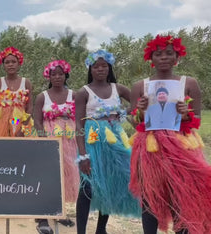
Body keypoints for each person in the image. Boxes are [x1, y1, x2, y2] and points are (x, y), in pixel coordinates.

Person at [129, 34, 211, 234]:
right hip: (150, 146)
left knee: (180, 192)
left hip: (180, 146)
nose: (163, 57)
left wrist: (186, 114)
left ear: (177, 57)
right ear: (151, 58)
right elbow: (133, 121)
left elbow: (197, 118)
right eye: (158, 54)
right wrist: (139, 111)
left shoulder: (189, 83)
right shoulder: (141, 86)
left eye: (169, 53)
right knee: (150, 195)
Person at [74, 50, 140, 234]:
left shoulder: (118, 88)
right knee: (87, 185)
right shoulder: (83, 92)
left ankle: (101, 229)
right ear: (91, 69)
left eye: (104, 66)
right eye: (96, 66)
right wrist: (83, 155)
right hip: (93, 139)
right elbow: (78, 125)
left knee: (109, 181)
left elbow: (137, 102)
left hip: (115, 138)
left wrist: (125, 112)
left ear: (109, 67)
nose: (101, 69)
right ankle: (81, 231)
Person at [33, 60, 77, 234]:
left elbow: (80, 116)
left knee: (65, 175)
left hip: (69, 140)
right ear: (48, 76)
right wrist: (42, 137)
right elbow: (36, 119)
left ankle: (60, 213)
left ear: (66, 74)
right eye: (53, 74)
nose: (57, 77)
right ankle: (42, 217)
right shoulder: (42, 96)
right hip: (49, 138)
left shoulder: (74, 94)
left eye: (60, 73)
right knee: (48, 176)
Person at [0, 46, 33, 137]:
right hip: (1, 122)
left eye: (13, 62)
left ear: (19, 64)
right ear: (3, 66)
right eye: (7, 62)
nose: (10, 64)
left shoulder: (26, 82)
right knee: (2, 146)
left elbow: (30, 106)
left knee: (19, 146)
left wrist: (24, 127)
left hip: (18, 120)